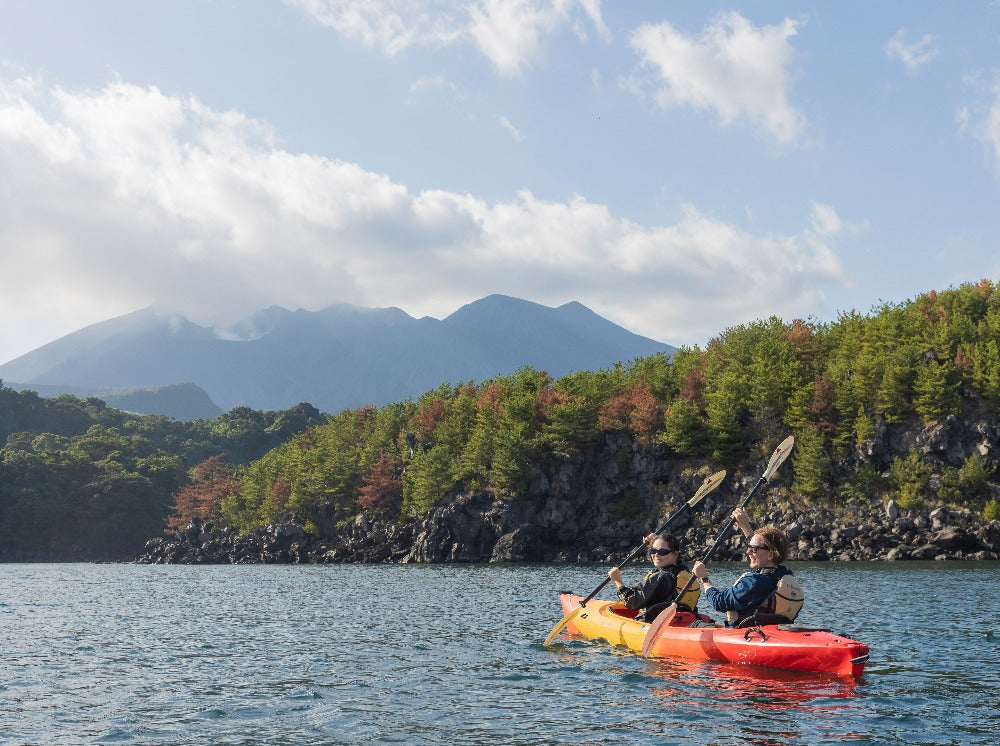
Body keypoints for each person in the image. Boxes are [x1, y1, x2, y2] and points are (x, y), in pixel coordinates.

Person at [691, 508, 804, 627]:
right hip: (768, 634)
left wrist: (703, 578)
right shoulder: (784, 574)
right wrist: (745, 526)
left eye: (753, 549)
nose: (748, 552)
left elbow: (718, 602)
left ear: (771, 554)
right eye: (749, 547)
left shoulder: (753, 582)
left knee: (695, 625)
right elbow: (761, 546)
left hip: (745, 635)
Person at [608, 533, 700, 622]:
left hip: (655, 625)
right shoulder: (684, 569)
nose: (656, 555)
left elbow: (632, 602)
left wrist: (617, 580)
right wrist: (655, 541)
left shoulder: (661, 577)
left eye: (662, 552)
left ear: (676, 554)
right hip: (682, 620)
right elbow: (667, 556)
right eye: (652, 551)